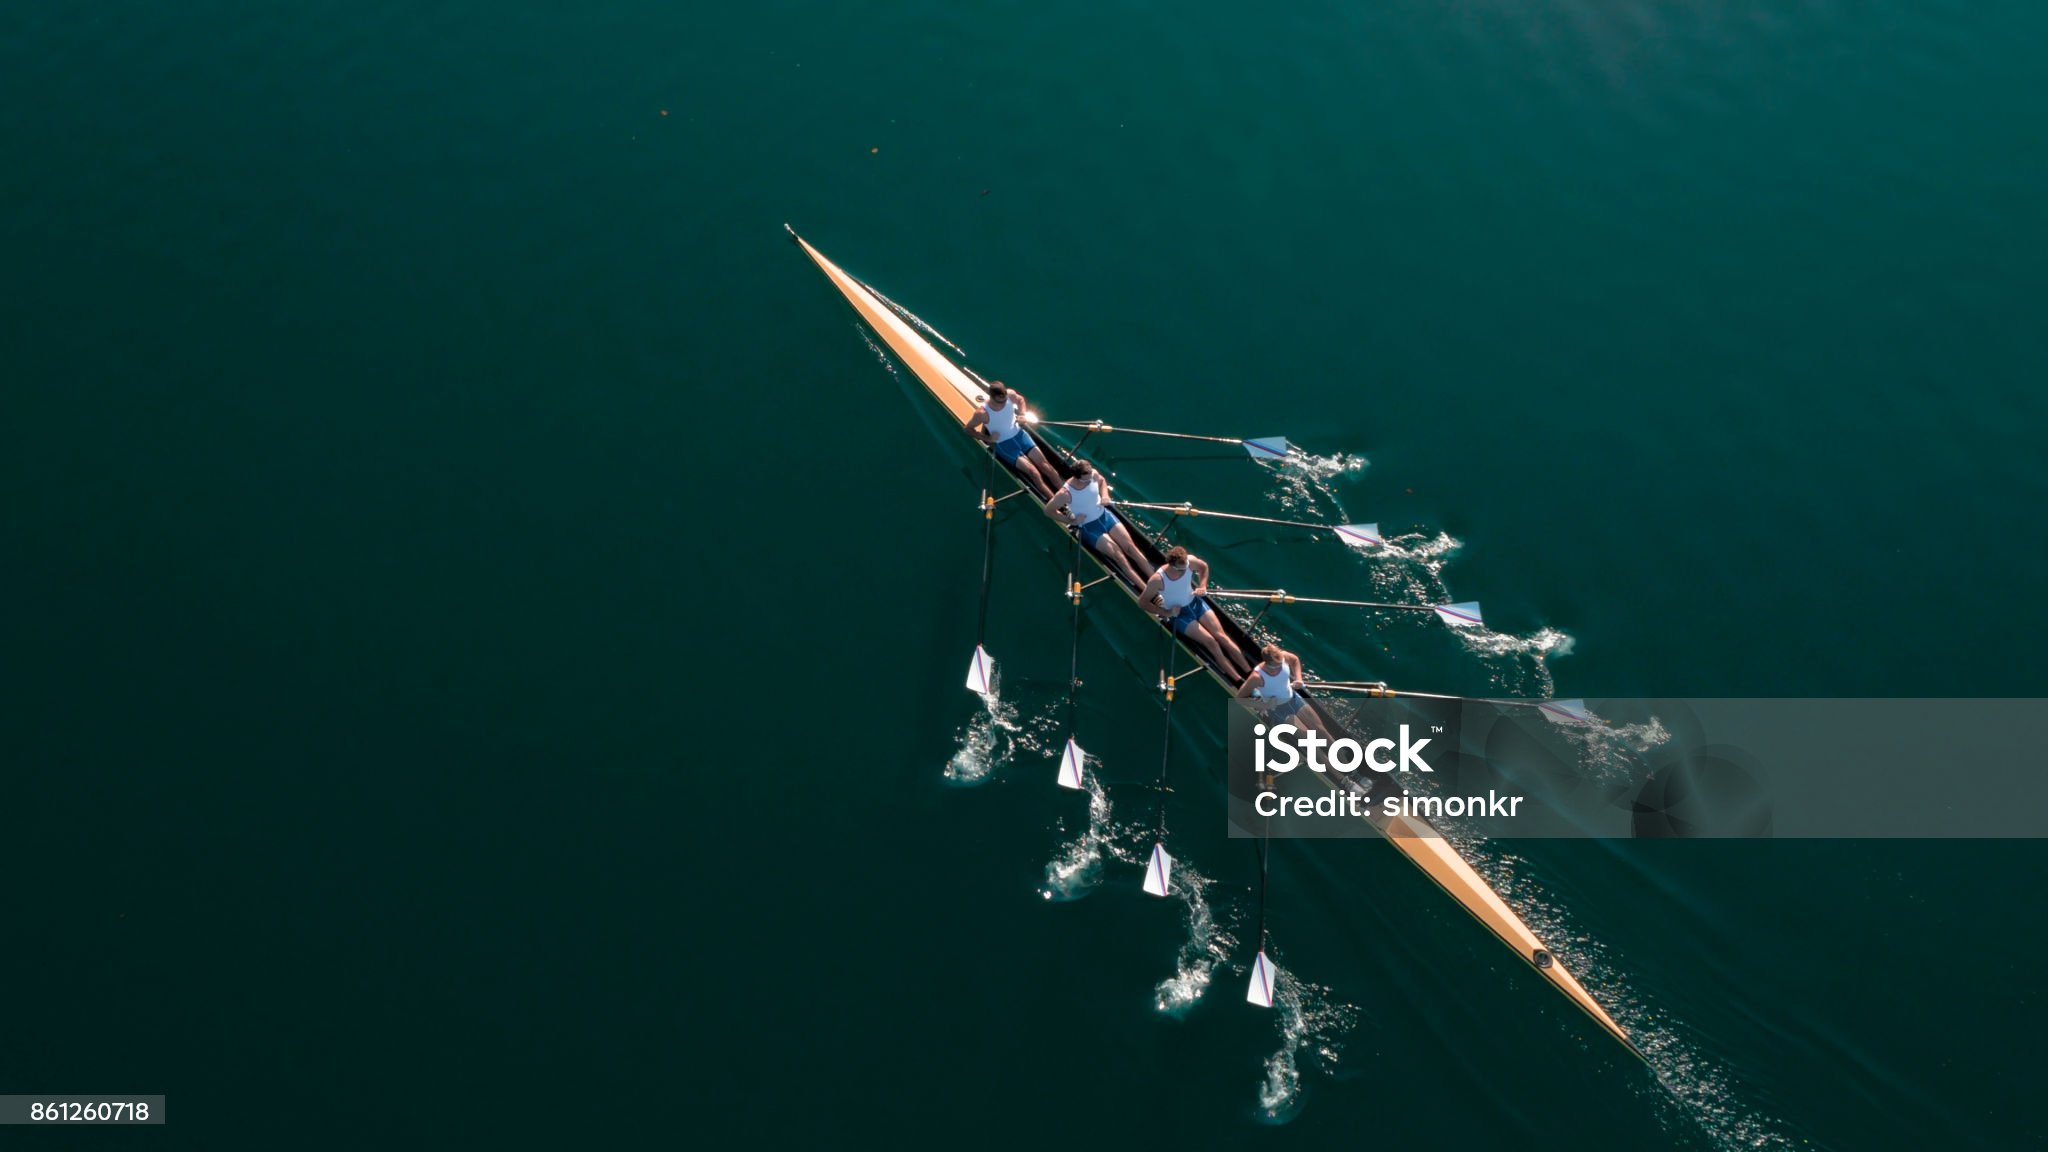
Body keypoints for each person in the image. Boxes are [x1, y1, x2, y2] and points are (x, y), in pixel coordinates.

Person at [1141, 546, 1251, 680]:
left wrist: (1202, 585)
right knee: (1212, 643)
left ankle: (1251, 673)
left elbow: (1204, 567)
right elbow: (1143, 602)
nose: (1184, 571)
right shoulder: (1157, 580)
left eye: (1186, 567)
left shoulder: (1190, 561)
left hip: (1195, 603)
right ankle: (1239, 681)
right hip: (1180, 615)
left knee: (1222, 637)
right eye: (1180, 570)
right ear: (1171, 565)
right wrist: (1166, 612)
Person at [1044, 459, 1150, 588]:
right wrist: (1072, 521)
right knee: (1119, 557)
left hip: (1106, 517)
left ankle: (1158, 582)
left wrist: (1105, 495)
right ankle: (1148, 591)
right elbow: (1048, 511)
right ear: (1077, 477)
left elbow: (1102, 481)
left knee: (1131, 549)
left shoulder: (1092, 474)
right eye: (1087, 477)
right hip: (1090, 528)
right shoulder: (1065, 494)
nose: (1091, 477)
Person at [964, 381, 1060, 498]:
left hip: (1020, 435)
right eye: (1001, 401)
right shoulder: (982, 413)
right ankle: (1060, 505)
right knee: (1034, 473)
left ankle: (1069, 494)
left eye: (1005, 400)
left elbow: (1021, 400)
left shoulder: (1010, 394)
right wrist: (988, 438)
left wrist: (1023, 414)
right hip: (1004, 445)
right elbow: (968, 429)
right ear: (992, 397)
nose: (1004, 403)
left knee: (1046, 466)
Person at [1235, 644, 1325, 734]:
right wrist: (1265, 706)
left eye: (1281, 664)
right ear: (1267, 664)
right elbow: (1240, 698)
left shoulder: (1283, 656)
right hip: (1278, 709)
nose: (1280, 668)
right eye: (1276, 666)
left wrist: (1298, 678)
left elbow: (1295, 660)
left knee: (1321, 730)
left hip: (1294, 698)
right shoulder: (1256, 677)